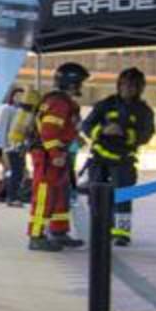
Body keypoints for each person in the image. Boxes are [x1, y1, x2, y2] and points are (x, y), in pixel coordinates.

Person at [80, 67, 155, 246]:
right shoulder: (105, 104)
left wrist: (125, 133)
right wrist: (103, 130)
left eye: (133, 86)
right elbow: (87, 125)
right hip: (99, 159)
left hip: (124, 161)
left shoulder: (144, 110)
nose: (128, 88)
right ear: (119, 85)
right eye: (124, 84)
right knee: (96, 196)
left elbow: (146, 135)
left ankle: (121, 232)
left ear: (140, 88)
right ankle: (101, 229)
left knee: (123, 196)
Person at [27, 62, 89, 252]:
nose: (81, 86)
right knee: (44, 194)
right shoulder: (59, 103)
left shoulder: (62, 102)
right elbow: (48, 131)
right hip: (48, 156)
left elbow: (63, 127)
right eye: (80, 82)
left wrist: (75, 138)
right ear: (72, 83)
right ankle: (36, 236)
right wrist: (55, 154)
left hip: (57, 155)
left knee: (60, 194)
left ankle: (59, 231)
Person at [4, 88, 40, 207]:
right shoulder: (24, 114)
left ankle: (13, 196)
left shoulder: (22, 113)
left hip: (15, 146)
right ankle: (12, 197)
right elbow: (26, 131)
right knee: (17, 172)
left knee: (18, 172)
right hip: (15, 146)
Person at [0, 87, 23, 202]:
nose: (20, 98)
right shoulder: (7, 109)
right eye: (17, 96)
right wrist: (3, 147)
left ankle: (4, 191)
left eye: (22, 96)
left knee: (10, 169)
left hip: (10, 144)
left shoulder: (20, 110)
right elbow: (3, 128)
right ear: (12, 97)